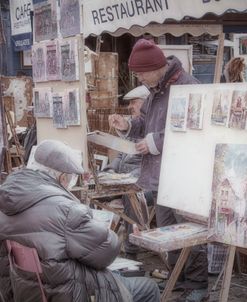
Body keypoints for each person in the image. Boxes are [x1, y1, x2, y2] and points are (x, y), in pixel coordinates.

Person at [109, 39, 208, 302]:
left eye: (141, 73)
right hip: (160, 176)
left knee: (188, 232)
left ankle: (197, 285)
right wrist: (127, 124)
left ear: (156, 67)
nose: (139, 78)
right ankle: (179, 279)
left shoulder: (189, 87)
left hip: (185, 174)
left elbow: (194, 129)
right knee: (168, 233)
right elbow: (145, 122)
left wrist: (154, 143)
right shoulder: (155, 90)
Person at [0, 139, 160, 302]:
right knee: (148, 287)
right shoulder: (65, 210)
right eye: (70, 179)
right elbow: (107, 252)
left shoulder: (6, 198)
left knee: (116, 274)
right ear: (62, 178)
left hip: (29, 291)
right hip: (70, 291)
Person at [104, 85, 153, 256]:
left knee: (131, 195)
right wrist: (109, 171)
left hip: (144, 184)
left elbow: (148, 164)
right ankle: (101, 244)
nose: (130, 107)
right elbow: (120, 156)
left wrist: (126, 179)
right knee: (93, 190)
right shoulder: (132, 125)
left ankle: (132, 250)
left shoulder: (150, 127)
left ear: (146, 104)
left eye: (134, 103)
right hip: (124, 180)